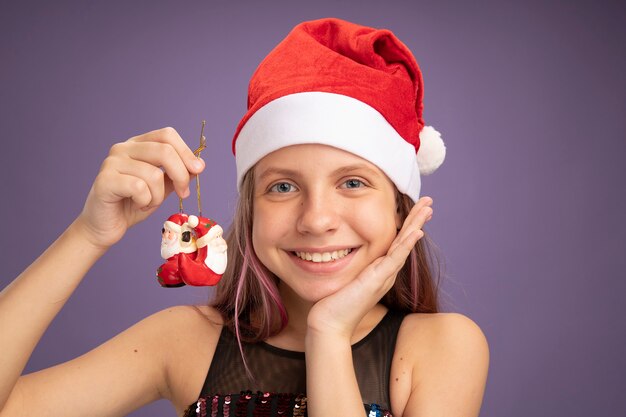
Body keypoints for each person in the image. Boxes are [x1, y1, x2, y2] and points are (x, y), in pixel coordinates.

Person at [0, 18, 488, 417]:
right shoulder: (185, 341)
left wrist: (330, 335)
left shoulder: (442, 349)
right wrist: (89, 235)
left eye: (353, 182)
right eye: (282, 186)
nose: (316, 220)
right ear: (251, 208)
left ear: (400, 207)